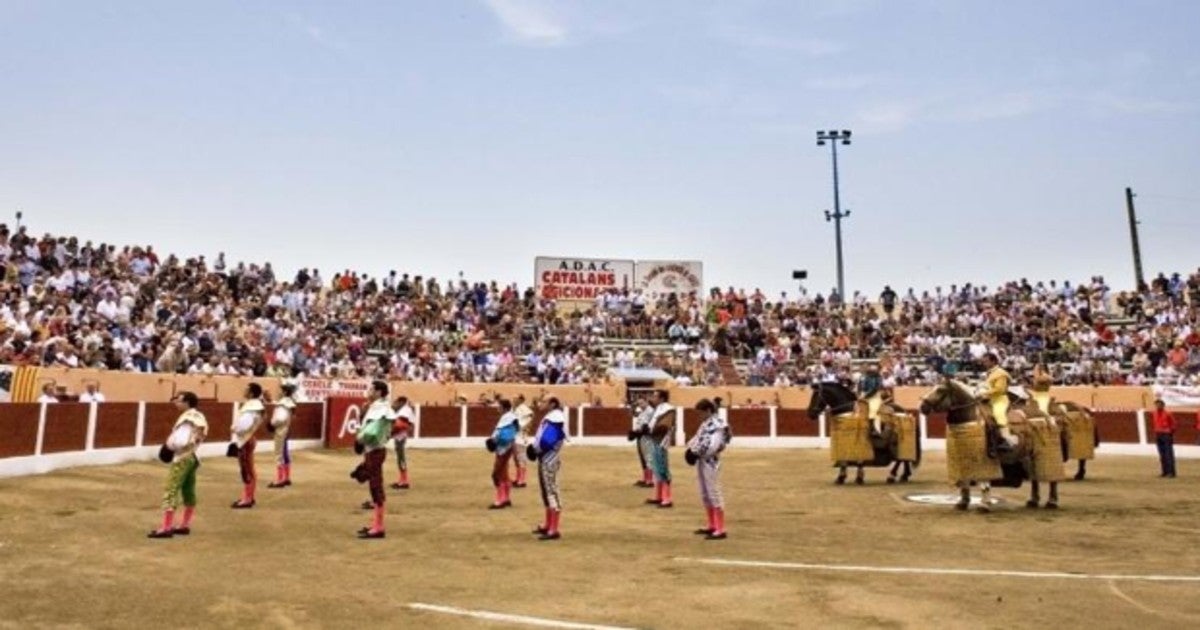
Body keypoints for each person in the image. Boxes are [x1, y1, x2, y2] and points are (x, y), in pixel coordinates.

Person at [148, 392, 208, 538]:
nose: (176, 402)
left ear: (187, 402)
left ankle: (166, 527)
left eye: (179, 400)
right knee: (188, 490)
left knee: (171, 489)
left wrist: (169, 446)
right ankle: (184, 525)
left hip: (182, 457)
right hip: (193, 456)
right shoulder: (199, 416)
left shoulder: (188, 418)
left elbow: (181, 441)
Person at [353, 380, 396, 539]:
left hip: (374, 451)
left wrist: (359, 440)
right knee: (374, 485)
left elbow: (371, 433)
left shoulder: (381, 409)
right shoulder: (377, 407)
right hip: (373, 451)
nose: (368, 391)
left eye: (371, 389)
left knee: (376, 487)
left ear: (378, 392)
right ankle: (376, 524)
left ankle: (378, 527)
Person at [685, 399, 731, 540]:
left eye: (701, 413)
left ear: (708, 411)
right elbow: (697, 439)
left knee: (713, 493)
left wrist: (696, 452)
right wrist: (691, 450)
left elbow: (714, 446)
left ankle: (720, 528)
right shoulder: (707, 423)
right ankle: (712, 525)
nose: (699, 416)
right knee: (705, 493)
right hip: (702, 459)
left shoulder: (717, 425)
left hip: (710, 461)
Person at [529, 397, 568, 541]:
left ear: (552, 404)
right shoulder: (552, 417)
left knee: (551, 491)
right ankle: (548, 524)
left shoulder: (555, 418)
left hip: (549, 458)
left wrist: (536, 449)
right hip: (545, 458)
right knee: (546, 492)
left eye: (544, 402)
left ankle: (554, 529)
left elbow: (547, 440)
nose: (541, 404)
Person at [229, 383, 267, 508]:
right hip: (248, 439)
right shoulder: (254, 406)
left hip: (245, 440)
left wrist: (235, 429)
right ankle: (248, 497)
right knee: (248, 469)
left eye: (246, 389)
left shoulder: (252, 408)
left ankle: (247, 499)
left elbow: (243, 427)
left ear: (251, 393)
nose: (244, 391)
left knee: (247, 470)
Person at [487, 399, 520, 509]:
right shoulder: (511, 417)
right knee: (504, 473)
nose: (498, 408)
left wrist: (493, 440)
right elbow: (515, 431)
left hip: (503, 448)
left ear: (505, 407)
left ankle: (500, 500)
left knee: (498, 474)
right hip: (508, 447)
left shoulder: (507, 418)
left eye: (499, 406)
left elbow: (501, 434)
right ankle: (506, 498)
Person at [646, 390, 675, 508]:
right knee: (657, 469)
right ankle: (659, 496)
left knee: (662, 469)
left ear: (662, 398)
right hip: (655, 440)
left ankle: (667, 499)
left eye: (655, 396)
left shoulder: (668, 409)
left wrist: (650, 431)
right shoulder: (660, 408)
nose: (653, 397)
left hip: (661, 441)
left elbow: (664, 426)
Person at [267, 384, 297, 489]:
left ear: (284, 392)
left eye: (280, 391)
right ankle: (286, 477)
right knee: (284, 454)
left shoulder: (283, 404)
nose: (278, 392)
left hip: (280, 431)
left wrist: (272, 423)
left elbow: (280, 419)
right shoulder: (289, 403)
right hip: (286, 429)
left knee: (279, 455)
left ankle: (280, 479)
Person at [980, 353, 1014, 443]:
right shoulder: (989, 373)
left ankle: (1007, 438)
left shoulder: (1000, 373)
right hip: (988, 400)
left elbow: (1000, 389)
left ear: (993, 361)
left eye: (986, 361)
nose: (984, 363)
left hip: (1000, 399)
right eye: (983, 361)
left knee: (998, 413)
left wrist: (984, 392)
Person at [390, 396, 415, 490]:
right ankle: (402, 479)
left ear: (401, 402)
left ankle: (404, 481)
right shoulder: (405, 410)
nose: (395, 404)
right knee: (400, 457)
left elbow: (402, 425)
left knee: (401, 458)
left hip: (400, 436)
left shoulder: (405, 410)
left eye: (396, 402)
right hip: (400, 435)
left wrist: (391, 433)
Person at [629, 397, 655, 487]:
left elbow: (649, 426)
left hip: (647, 437)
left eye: (642, 403)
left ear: (646, 401)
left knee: (648, 457)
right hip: (640, 436)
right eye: (639, 403)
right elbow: (639, 423)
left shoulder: (651, 411)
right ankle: (645, 478)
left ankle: (650, 480)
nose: (640, 405)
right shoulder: (642, 412)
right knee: (643, 458)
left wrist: (640, 431)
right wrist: (635, 432)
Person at [510, 394, 534, 488]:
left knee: (521, 459)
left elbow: (528, 421)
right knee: (516, 459)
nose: (513, 400)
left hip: (521, 437)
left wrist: (523, 428)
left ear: (520, 400)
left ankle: (522, 480)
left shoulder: (524, 409)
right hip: (515, 436)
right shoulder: (514, 409)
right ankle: (518, 478)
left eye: (515, 398)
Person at [1151, 399, 1177, 478]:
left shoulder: (1168, 413)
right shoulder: (1154, 413)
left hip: (1166, 434)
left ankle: (1171, 472)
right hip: (1158, 434)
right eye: (1156, 405)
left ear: (1163, 405)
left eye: (1159, 405)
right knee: (1162, 454)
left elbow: (1174, 424)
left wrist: (1169, 432)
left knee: (1168, 454)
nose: (1157, 406)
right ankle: (1165, 471)